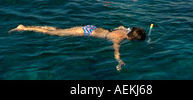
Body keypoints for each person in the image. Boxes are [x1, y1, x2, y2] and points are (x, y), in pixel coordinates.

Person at [9, 24, 146, 71]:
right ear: (131, 38)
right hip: (87, 32)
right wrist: (119, 61)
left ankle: (34, 27)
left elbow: (122, 26)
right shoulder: (119, 38)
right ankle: (25, 28)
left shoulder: (125, 30)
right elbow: (116, 50)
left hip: (92, 28)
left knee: (59, 31)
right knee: (55, 33)